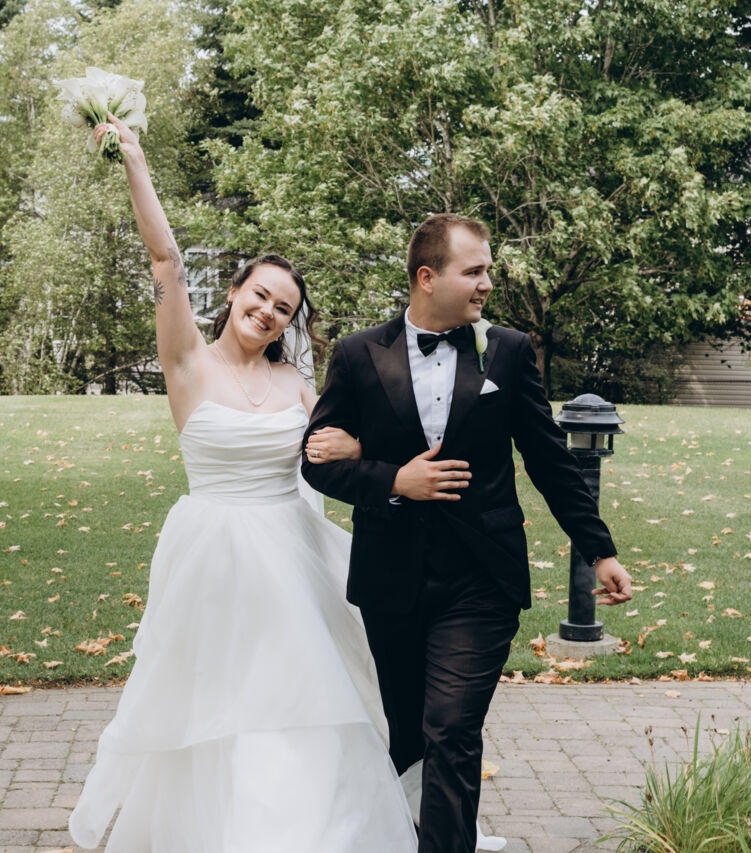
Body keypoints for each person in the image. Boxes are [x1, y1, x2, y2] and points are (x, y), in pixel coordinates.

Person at [67, 114, 418, 852]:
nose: (267, 312)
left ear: (290, 323)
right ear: (233, 292)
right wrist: (134, 159)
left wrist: (366, 448)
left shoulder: (297, 384)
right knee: (219, 700)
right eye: (259, 296)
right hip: (215, 556)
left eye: (283, 308)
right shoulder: (188, 364)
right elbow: (165, 260)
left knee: (301, 694)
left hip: (291, 555)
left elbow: (333, 453)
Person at [300, 213, 635, 853]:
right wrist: (395, 479)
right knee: (409, 737)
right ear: (427, 277)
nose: (487, 283)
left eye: (488, 270)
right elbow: (317, 462)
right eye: (474, 271)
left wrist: (599, 550)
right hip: (391, 577)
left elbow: (548, 458)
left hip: (482, 575)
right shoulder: (357, 354)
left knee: (451, 730)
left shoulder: (507, 350)